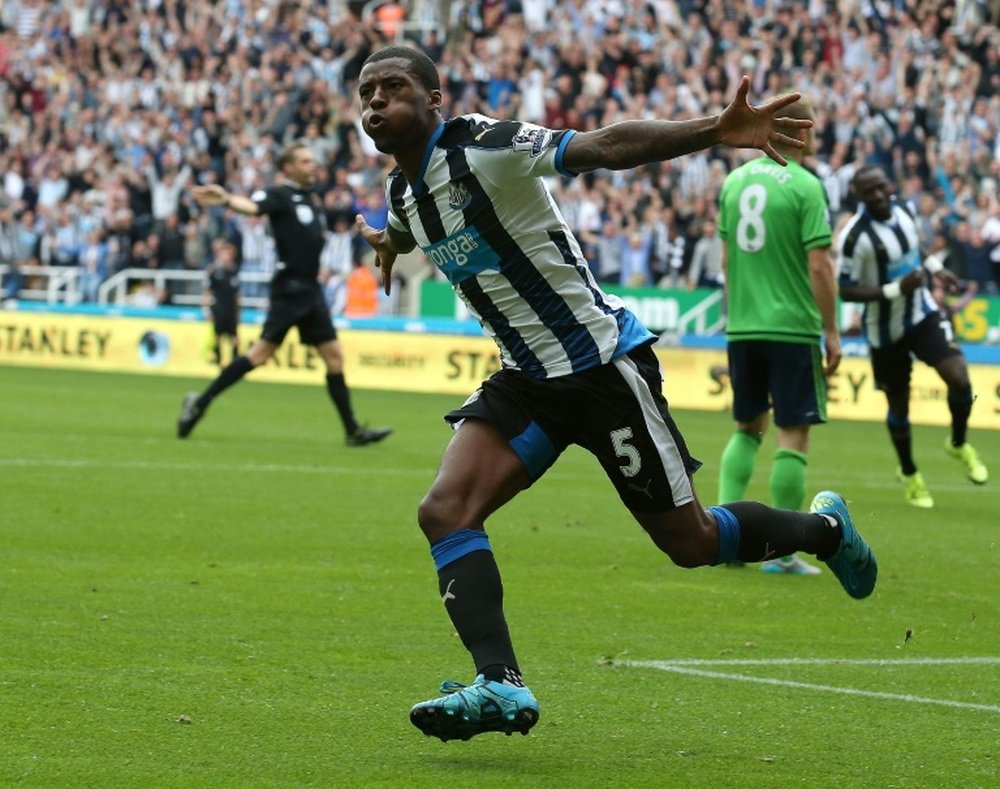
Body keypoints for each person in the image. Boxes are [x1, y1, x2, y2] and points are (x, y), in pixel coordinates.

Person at [354, 45, 877, 744]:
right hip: (526, 381)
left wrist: (713, 131)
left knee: (690, 543)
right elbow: (408, 223)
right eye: (366, 92)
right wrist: (389, 246)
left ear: (435, 98)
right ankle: (499, 683)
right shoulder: (402, 195)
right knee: (445, 511)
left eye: (393, 87)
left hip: (600, 367)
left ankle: (824, 531)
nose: (376, 102)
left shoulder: (486, 145)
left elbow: (603, 145)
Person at [179, 141, 392, 447]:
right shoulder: (279, 194)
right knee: (259, 355)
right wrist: (226, 199)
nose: (312, 165)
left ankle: (352, 431)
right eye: (305, 161)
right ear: (288, 167)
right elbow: (253, 206)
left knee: (334, 357)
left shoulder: (311, 199)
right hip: (289, 289)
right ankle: (199, 402)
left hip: (311, 289)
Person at [716, 96, 841, 576]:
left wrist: (741, 311)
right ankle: (783, 553)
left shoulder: (734, 181)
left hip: (743, 326)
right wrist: (831, 330)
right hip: (791, 327)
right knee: (793, 433)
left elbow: (726, 261)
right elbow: (819, 265)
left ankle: (724, 539)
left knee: (747, 428)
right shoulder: (807, 187)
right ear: (803, 132)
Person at [837, 166, 988, 508]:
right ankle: (909, 473)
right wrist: (894, 290)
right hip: (884, 330)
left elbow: (915, 249)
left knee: (960, 380)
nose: (877, 195)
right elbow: (845, 290)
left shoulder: (904, 209)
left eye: (880, 187)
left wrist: (938, 270)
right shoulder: (855, 237)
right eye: (868, 192)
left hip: (922, 314)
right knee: (899, 407)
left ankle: (958, 443)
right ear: (859, 196)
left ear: (889, 185)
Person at [203, 240, 241, 367]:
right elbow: (207, 292)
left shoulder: (233, 272)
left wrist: (239, 311)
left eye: (229, 254)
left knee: (234, 338)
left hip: (230, 309)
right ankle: (218, 361)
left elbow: (237, 295)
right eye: (225, 254)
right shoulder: (213, 272)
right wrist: (206, 309)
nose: (227, 257)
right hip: (218, 309)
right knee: (217, 336)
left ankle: (235, 362)